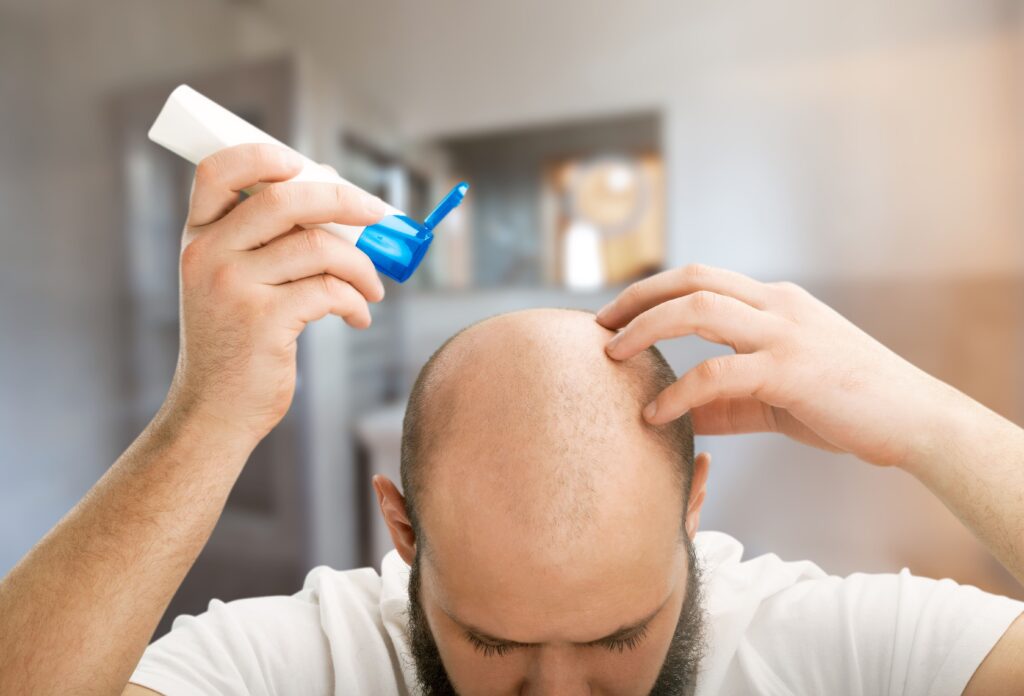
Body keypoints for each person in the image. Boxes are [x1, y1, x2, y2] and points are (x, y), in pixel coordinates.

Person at [0, 143, 1021, 695]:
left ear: (692, 506)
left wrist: (935, 424)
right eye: (492, 646)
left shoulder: (840, 651)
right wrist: (204, 420)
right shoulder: (300, 663)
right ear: (401, 531)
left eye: (619, 639)